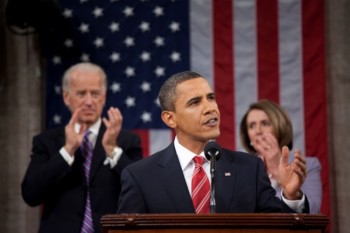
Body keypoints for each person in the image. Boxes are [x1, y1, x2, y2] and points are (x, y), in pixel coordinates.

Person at [117, 71, 309, 214]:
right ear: (170, 119)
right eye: (195, 102)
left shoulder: (250, 169)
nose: (210, 108)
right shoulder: (140, 177)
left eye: (211, 98)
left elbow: (277, 228)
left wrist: (291, 197)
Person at [21, 62, 143, 233]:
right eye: (81, 94)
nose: (88, 101)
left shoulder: (126, 141)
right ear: (66, 97)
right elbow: (31, 195)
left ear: (104, 97)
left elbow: (141, 191)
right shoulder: (46, 141)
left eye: (95, 93)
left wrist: (112, 149)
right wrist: (67, 151)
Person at [239, 99, 322, 214]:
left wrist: (277, 171)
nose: (258, 131)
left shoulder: (308, 165)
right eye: (252, 126)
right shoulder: (240, 170)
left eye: (265, 123)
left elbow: (313, 211)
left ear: (280, 127)